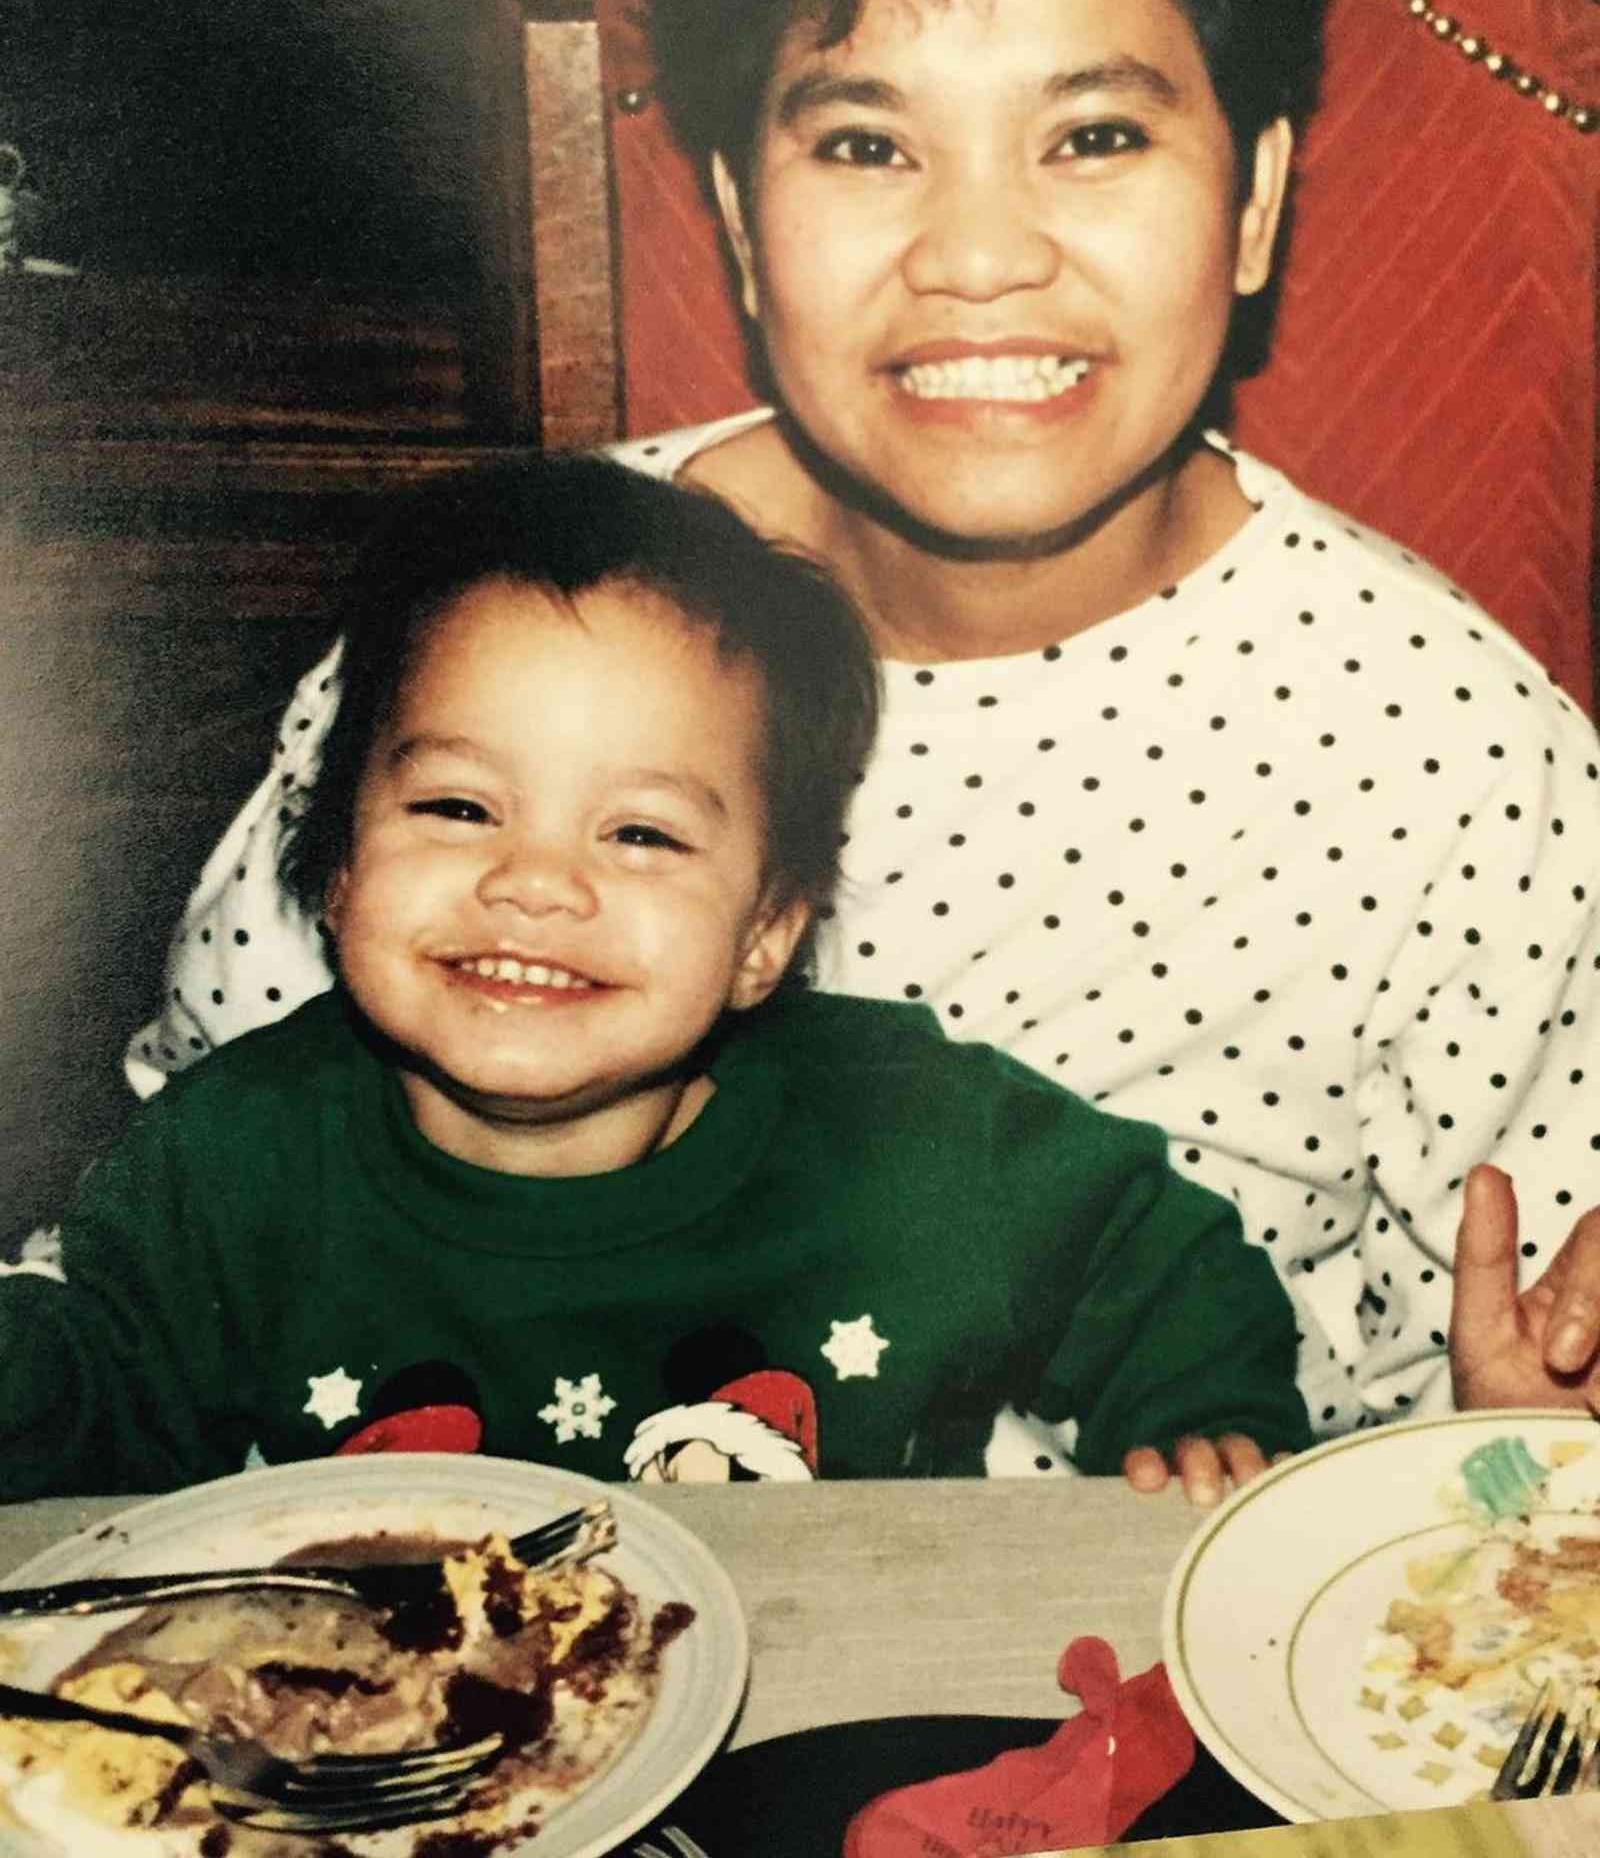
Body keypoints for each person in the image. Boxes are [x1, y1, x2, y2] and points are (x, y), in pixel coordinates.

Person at [124, 0, 1600, 1480]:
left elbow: (1491, 1391)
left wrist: (1518, 1452)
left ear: (1252, 204)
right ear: (746, 222)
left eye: (1095, 136)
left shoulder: (1454, 751)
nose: (978, 255)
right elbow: (186, 1217)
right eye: (866, 144)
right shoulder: (496, 645)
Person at [0, 456, 1310, 1501]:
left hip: (829, 1727)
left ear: (762, 939)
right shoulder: (232, 1159)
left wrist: (1200, 1416)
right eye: (459, 806)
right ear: (336, 866)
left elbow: (1147, 1252)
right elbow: (86, 1410)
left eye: (640, 835)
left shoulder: (915, 1134)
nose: (537, 881)